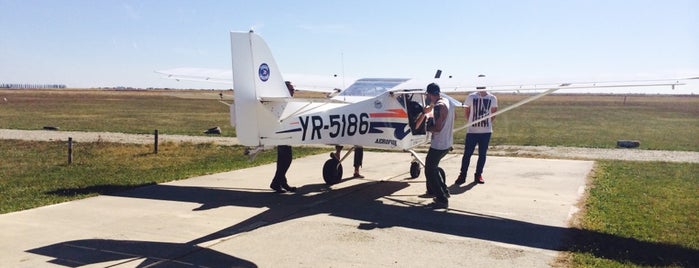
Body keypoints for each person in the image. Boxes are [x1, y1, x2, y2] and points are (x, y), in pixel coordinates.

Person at [415, 82, 454, 208]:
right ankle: (444, 191)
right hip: (447, 142)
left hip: (439, 144)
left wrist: (426, 126)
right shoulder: (448, 102)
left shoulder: (438, 106)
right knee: (434, 167)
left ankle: (441, 199)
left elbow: (436, 128)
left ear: (430, 94)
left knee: (429, 170)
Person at [455, 76, 498, 185]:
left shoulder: (492, 98)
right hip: (472, 132)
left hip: (486, 132)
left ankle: (478, 175)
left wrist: (486, 124)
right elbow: (467, 111)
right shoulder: (471, 96)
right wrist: (471, 122)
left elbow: (493, 113)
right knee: (467, 154)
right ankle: (462, 175)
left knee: (482, 155)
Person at [270, 81, 298, 193]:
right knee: (286, 159)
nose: (293, 91)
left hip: (285, 134)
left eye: (293, 89)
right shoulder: (282, 102)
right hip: (282, 134)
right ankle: (276, 182)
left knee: (282, 160)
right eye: (291, 89)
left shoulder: (286, 102)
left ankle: (281, 182)